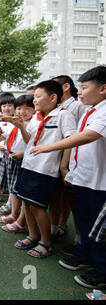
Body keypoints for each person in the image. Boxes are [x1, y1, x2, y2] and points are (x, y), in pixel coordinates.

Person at [31, 66, 105, 287]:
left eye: (83, 87)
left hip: (100, 182)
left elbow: (88, 136)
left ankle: (101, 271)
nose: (78, 92)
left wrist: (48, 147)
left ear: (103, 89)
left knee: (99, 228)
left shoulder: (103, 111)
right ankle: (86, 255)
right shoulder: (92, 109)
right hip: (86, 178)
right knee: (84, 220)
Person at [5, 80, 77, 258]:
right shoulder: (37, 118)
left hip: (45, 169)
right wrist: (20, 126)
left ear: (53, 98)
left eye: (38, 96)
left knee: (37, 207)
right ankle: (33, 235)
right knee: (26, 203)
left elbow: (71, 140)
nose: (34, 100)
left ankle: (46, 241)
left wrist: (63, 166)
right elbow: (30, 140)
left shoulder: (63, 115)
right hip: (28, 165)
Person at [49, 75, 88, 243]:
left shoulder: (77, 106)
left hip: (72, 160)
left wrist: (65, 165)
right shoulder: (55, 108)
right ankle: (58, 225)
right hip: (55, 159)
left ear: (65, 87)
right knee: (58, 196)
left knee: (73, 198)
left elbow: (78, 136)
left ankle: (79, 237)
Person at [0, 95, 35, 233]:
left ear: (34, 109)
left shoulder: (32, 123)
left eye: (26, 108)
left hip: (22, 160)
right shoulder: (17, 122)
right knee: (13, 189)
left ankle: (17, 217)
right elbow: (6, 138)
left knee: (19, 191)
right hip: (11, 156)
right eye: (19, 108)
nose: (21, 112)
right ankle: (14, 214)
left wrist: (22, 154)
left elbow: (31, 143)